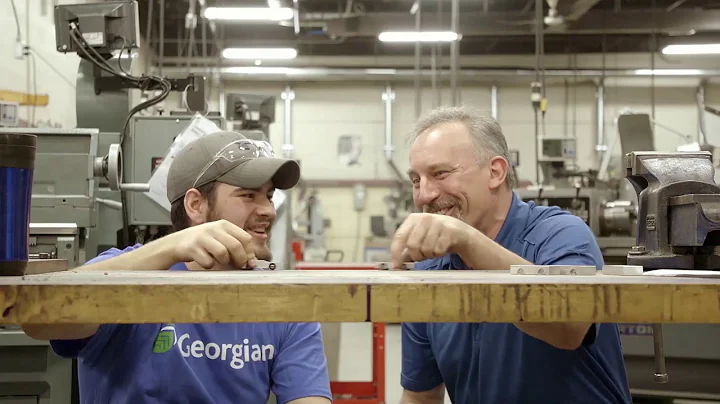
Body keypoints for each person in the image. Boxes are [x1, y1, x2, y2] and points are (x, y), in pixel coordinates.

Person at [23, 131, 332, 404]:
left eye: (268, 196)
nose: (267, 210)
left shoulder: (285, 303)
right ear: (195, 205)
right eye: (248, 195)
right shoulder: (123, 275)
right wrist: (171, 247)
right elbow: (39, 318)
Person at [390, 106, 632, 404]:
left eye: (440, 173)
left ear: (495, 172)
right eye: (416, 180)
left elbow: (570, 327)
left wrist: (467, 240)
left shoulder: (561, 234)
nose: (424, 195)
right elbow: (421, 397)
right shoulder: (429, 270)